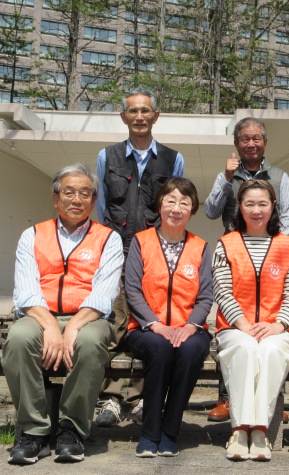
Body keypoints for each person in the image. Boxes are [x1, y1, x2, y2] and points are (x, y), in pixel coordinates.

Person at [3, 163, 123, 465]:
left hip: (90, 318)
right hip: (39, 314)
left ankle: (72, 430)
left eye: (85, 193)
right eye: (68, 192)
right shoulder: (32, 235)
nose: (76, 199)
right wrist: (52, 328)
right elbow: (26, 293)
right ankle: (33, 431)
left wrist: (72, 328)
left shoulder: (109, 238)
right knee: (18, 338)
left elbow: (103, 295)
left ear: (93, 201)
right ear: (56, 199)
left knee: (90, 343)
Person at [94, 87, 184, 427]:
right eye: (133, 111)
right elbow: (102, 207)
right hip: (117, 251)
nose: (140, 117)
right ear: (124, 117)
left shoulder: (173, 159)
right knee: (116, 323)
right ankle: (112, 399)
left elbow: (172, 207)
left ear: (155, 116)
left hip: (153, 253)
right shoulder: (108, 157)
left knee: (150, 324)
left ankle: (143, 397)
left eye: (146, 111)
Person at [204, 117, 289, 422]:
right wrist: (225, 177)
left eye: (257, 138)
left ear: (265, 143)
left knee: (269, 335)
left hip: (270, 254)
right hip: (236, 254)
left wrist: (272, 245)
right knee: (235, 329)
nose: (251, 143)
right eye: (245, 138)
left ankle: (270, 399)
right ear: (236, 143)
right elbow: (210, 211)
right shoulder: (227, 175)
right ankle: (228, 398)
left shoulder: (280, 175)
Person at [124, 178, 213, 457]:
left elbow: (206, 295)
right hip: (145, 328)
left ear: (192, 210)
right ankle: (150, 432)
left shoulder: (200, 246)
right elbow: (133, 288)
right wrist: (156, 325)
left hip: (190, 328)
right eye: (170, 201)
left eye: (184, 203)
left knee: (191, 351)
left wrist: (189, 326)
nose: (176, 208)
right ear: (160, 205)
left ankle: (170, 430)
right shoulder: (141, 241)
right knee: (160, 349)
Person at [212, 180, 289, 461]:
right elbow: (222, 289)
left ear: (273, 206)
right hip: (235, 327)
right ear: (240, 207)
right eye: (250, 203)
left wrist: (278, 325)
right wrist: (244, 326)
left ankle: (260, 429)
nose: (256, 210)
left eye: (263, 203)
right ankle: (239, 429)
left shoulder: (287, 245)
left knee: (272, 351)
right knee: (246, 349)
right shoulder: (226, 243)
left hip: (276, 327)